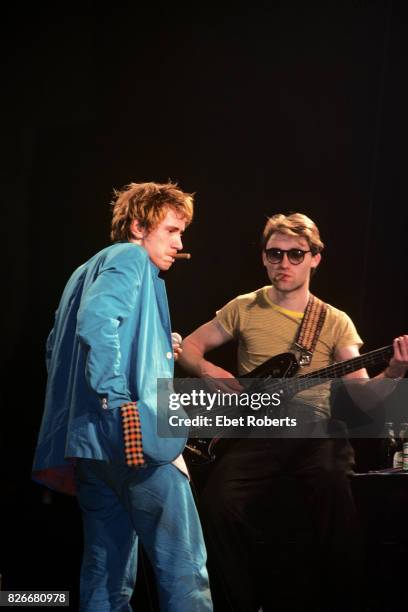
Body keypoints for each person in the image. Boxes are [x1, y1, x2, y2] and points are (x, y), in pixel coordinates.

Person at [178, 213, 408, 612]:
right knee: (216, 505)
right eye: (275, 254)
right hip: (258, 430)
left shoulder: (335, 321)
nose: (284, 263)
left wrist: (393, 372)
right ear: (264, 257)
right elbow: (189, 349)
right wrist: (211, 370)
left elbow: (365, 398)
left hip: (314, 430)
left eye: (295, 254)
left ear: (315, 258)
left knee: (336, 490)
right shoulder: (244, 307)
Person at [32, 181, 213, 612]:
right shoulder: (130, 257)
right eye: (171, 230)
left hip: (91, 449)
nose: (179, 242)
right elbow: (97, 322)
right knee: (185, 570)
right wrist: (118, 399)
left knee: (107, 575)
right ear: (138, 227)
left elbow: (56, 347)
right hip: (134, 440)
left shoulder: (83, 271)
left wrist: (151, 345)